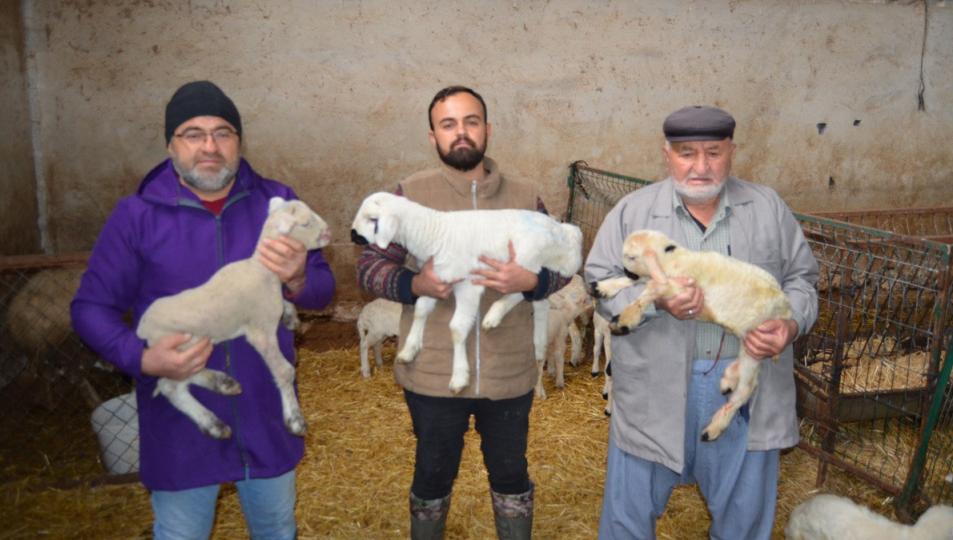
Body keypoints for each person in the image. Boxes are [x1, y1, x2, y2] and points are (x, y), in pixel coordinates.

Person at [71, 80, 335, 540]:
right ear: (171, 144)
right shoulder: (137, 217)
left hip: (264, 413)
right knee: (182, 533)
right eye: (193, 134)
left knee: (276, 528)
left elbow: (323, 289)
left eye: (223, 133)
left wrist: (298, 278)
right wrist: (141, 358)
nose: (209, 146)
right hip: (181, 429)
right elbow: (90, 307)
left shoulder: (274, 202)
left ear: (238, 141)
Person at [585, 105, 819, 539]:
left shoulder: (767, 207)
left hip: (743, 388)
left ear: (732, 152)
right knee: (627, 521)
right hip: (654, 388)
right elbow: (598, 283)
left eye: (713, 152)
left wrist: (791, 325)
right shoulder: (633, 212)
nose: (700, 166)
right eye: (686, 153)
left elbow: (803, 279)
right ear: (667, 155)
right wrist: (656, 304)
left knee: (742, 521)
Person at [355, 86, 569, 540]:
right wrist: (414, 285)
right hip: (433, 371)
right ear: (432, 136)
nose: (461, 132)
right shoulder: (410, 194)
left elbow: (563, 265)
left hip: (507, 369)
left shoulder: (525, 196)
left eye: (471, 122)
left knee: (511, 473)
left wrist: (532, 282)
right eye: (448, 124)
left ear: (487, 129)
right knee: (433, 474)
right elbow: (370, 266)